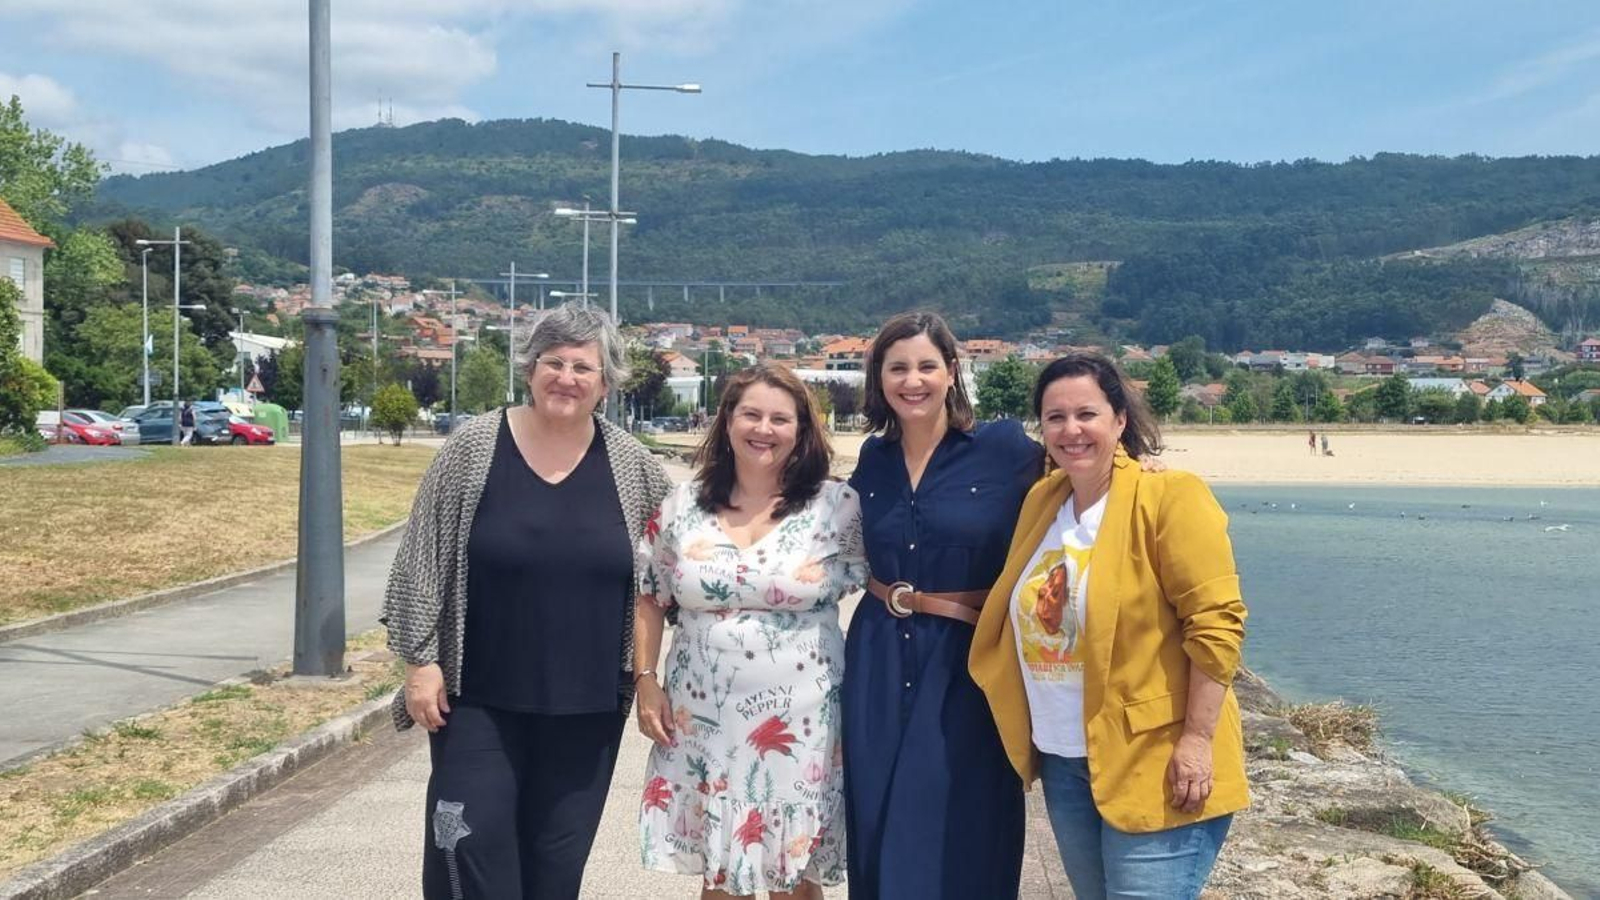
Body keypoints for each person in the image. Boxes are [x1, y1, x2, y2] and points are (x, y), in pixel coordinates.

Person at [381, 303, 673, 899]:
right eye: (554, 362)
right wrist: (419, 661)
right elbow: (420, 557)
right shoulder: (474, 448)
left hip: (587, 709)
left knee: (554, 874)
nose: (567, 377)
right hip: (478, 702)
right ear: (530, 368)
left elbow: (676, 567)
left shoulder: (633, 465)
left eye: (583, 367)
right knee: (466, 850)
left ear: (606, 382)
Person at [970, 352, 1249, 900]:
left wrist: (1196, 740)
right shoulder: (1043, 501)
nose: (1071, 430)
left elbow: (1216, 626)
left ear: (1120, 419)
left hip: (1155, 758)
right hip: (1064, 759)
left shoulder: (1168, 495)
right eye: (1055, 418)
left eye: (1086, 414)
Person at [634, 363, 864, 899]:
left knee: (792, 870)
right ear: (728, 421)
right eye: (751, 414)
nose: (764, 429)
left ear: (802, 429)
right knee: (721, 872)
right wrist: (646, 679)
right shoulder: (681, 507)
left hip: (802, 720)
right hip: (703, 717)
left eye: (780, 419)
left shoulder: (837, 507)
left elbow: (882, 585)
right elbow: (649, 592)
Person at [841, 312, 1044, 899]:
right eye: (897, 367)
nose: (913, 380)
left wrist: (1144, 467)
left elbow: (1082, 467)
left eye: (927, 366)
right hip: (877, 655)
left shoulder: (1004, 449)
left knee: (964, 815)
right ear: (879, 378)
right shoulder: (872, 459)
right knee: (878, 811)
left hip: (969, 663)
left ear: (952, 372)